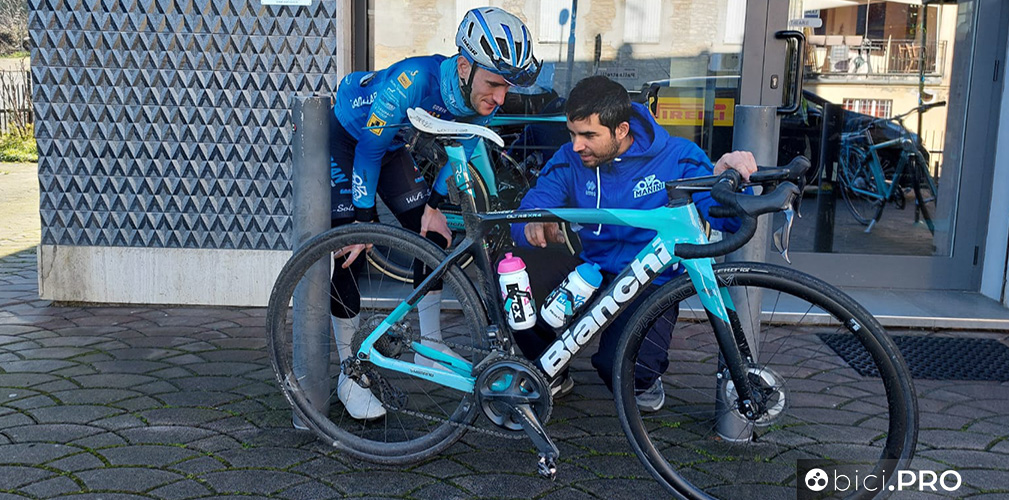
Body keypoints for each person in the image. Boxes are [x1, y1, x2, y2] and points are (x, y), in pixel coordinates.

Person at [322, 7, 541, 421]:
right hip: (350, 141)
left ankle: (431, 345)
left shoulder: (480, 94)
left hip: (387, 148)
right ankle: (350, 372)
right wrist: (363, 223)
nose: (500, 98)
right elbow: (367, 150)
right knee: (349, 250)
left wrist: (434, 207)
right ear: (464, 65)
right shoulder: (414, 80)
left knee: (436, 238)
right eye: (494, 84)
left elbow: (469, 144)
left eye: (506, 87)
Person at [508, 75, 757, 411]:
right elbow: (532, 207)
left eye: (589, 135)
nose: (577, 144)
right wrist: (534, 224)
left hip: (651, 282)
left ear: (621, 130)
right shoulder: (571, 158)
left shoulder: (678, 156)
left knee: (622, 370)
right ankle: (552, 370)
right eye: (573, 133)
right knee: (515, 282)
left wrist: (732, 183)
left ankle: (642, 379)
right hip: (591, 272)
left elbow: (726, 219)